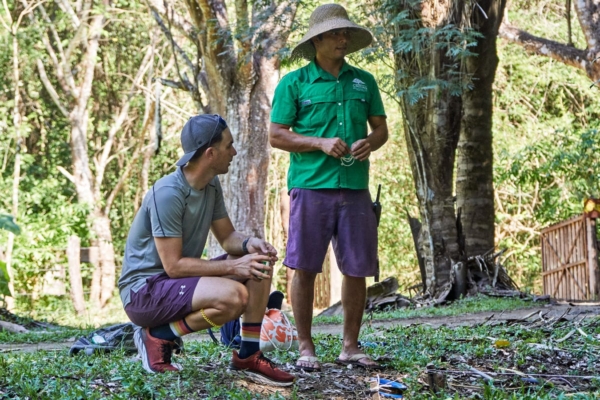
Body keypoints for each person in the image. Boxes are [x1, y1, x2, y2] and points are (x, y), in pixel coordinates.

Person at [118, 114, 295, 387]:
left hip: (173, 284)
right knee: (233, 297)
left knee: (258, 264)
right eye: (229, 146)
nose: (234, 152)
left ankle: (248, 354)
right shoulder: (168, 194)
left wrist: (250, 245)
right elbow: (173, 266)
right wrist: (233, 267)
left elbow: (227, 238)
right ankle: (158, 334)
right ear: (211, 154)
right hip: (144, 292)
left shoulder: (210, 185)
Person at [269, 3, 389, 372]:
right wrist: (319, 143)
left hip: (355, 188)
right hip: (310, 187)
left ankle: (350, 346)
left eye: (346, 33)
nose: (343, 38)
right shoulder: (294, 83)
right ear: (317, 39)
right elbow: (276, 135)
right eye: (336, 33)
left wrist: (372, 142)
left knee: (357, 268)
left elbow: (381, 130)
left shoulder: (363, 81)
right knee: (303, 267)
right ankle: (306, 348)